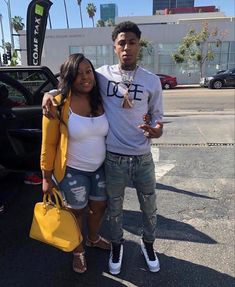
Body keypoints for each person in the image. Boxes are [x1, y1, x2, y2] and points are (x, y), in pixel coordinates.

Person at [42, 21, 163, 275]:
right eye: (122, 43)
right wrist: (49, 93)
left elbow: (157, 116)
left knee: (127, 207)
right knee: (94, 210)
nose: (127, 47)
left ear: (139, 45)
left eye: (132, 42)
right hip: (95, 164)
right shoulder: (100, 75)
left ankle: (123, 241)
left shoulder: (148, 82)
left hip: (124, 161)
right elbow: (71, 79)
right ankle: (96, 248)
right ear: (115, 47)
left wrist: (157, 128)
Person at [40, 53, 110, 274]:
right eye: (78, 74)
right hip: (72, 172)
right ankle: (77, 250)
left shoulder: (101, 99)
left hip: (100, 169)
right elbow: (48, 144)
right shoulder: (58, 105)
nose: (85, 77)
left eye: (88, 72)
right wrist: (45, 176)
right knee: (75, 213)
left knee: (99, 207)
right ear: (69, 77)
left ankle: (93, 238)